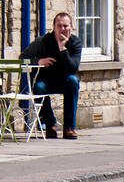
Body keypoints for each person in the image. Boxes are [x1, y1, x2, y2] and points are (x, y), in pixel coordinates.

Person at [20, 11, 83, 139]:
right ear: (53, 27)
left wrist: (62, 48)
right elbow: (23, 57)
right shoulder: (43, 41)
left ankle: (69, 128)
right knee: (39, 87)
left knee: (73, 81)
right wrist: (38, 61)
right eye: (59, 26)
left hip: (65, 80)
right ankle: (50, 125)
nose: (62, 29)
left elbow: (73, 67)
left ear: (71, 27)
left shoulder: (75, 43)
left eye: (66, 26)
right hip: (46, 79)